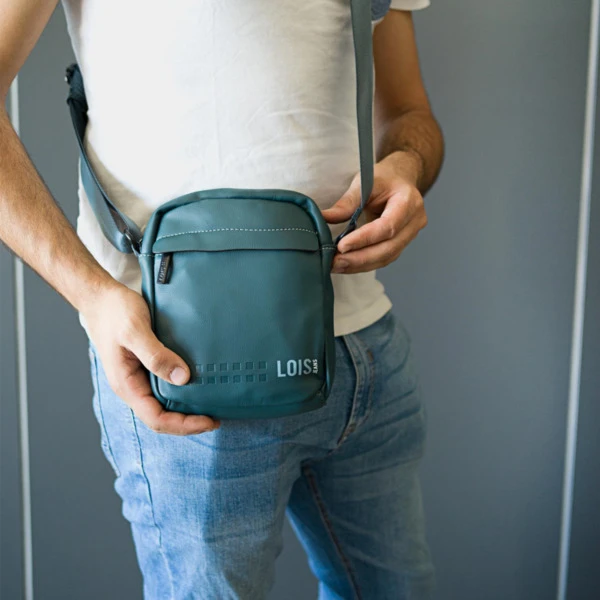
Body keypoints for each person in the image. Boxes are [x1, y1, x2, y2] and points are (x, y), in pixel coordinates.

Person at [0, 0, 444, 597]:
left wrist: (407, 166)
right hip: (190, 363)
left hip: (368, 356)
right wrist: (94, 297)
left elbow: (409, 112)